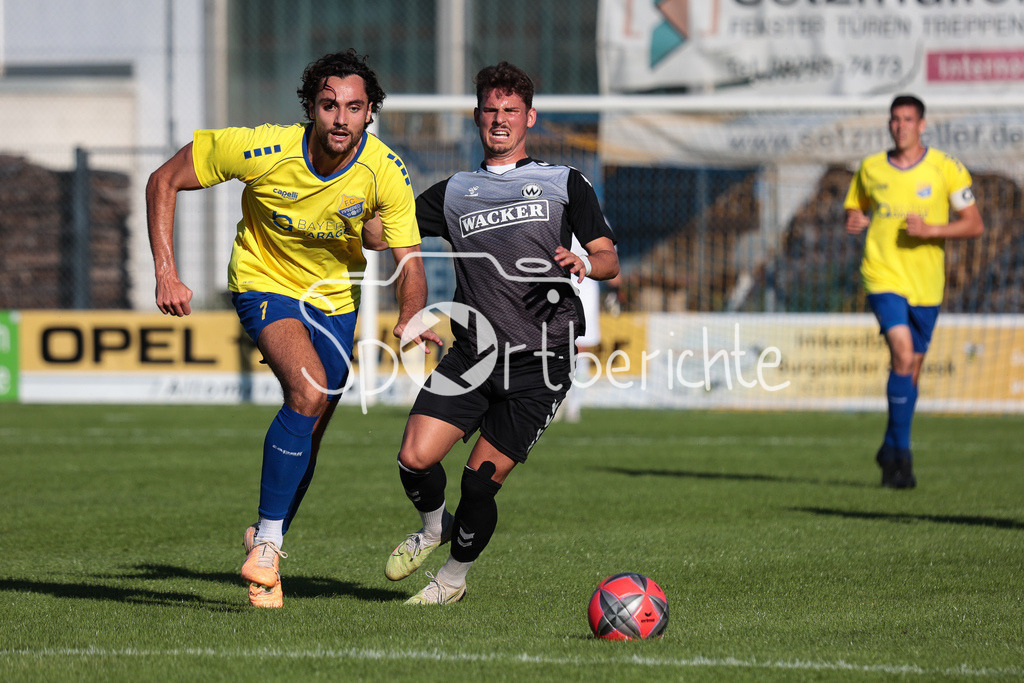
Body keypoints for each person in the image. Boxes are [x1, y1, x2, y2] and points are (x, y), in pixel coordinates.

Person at [146, 49, 440, 608]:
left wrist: (410, 314)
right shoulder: (261, 148)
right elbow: (163, 180)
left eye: (354, 107)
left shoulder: (386, 171)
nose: (340, 118)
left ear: (370, 112)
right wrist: (167, 272)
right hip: (263, 285)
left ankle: (266, 539)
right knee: (306, 393)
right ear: (311, 107)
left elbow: (410, 261)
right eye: (329, 105)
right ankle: (268, 549)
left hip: (335, 302)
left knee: (312, 426)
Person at [381, 62, 619, 604]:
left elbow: (609, 259)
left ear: (529, 117)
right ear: (476, 118)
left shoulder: (565, 183)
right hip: (473, 353)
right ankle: (432, 526)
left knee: (479, 482)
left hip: (542, 361)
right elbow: (385, 234)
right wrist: (349, 196)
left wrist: (583, 262)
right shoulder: (455, 191)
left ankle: (452, 582)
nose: (500, 119)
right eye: (490, 109)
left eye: (510, 110)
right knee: (414, 459)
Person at [844, 94, 983, 489]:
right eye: (894, 119)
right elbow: (856, 208)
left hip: (926, 284)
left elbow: (974, 225)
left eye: (907, 119)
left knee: (912, 369)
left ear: (922, 125)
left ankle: (889, 449)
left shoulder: (946, 168)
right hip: (882, 276)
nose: (900, 126)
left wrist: (932, 230)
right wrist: (855, 219)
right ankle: (902, 457)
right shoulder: (871, 167)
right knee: (903, 356)